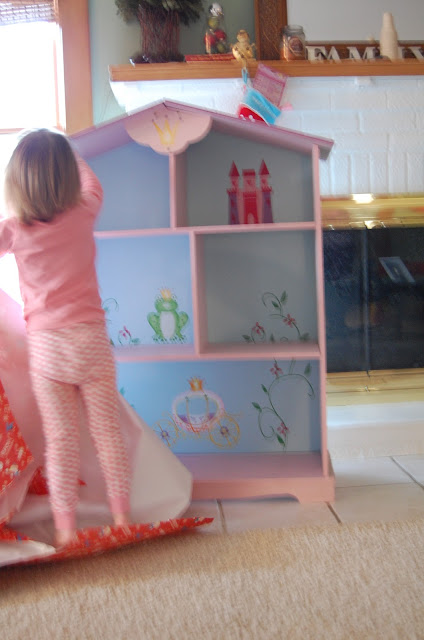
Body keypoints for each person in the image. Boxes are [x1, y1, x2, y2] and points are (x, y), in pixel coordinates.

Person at [0, 129, 131, 548]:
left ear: (15, 183)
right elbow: (93, 183)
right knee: (107, 432)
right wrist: (71, 155)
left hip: (48, 350)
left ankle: (65, 528)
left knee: (60, 443)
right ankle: (122, 515)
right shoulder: (83, 211)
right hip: (90, 341)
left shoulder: (14, 231)